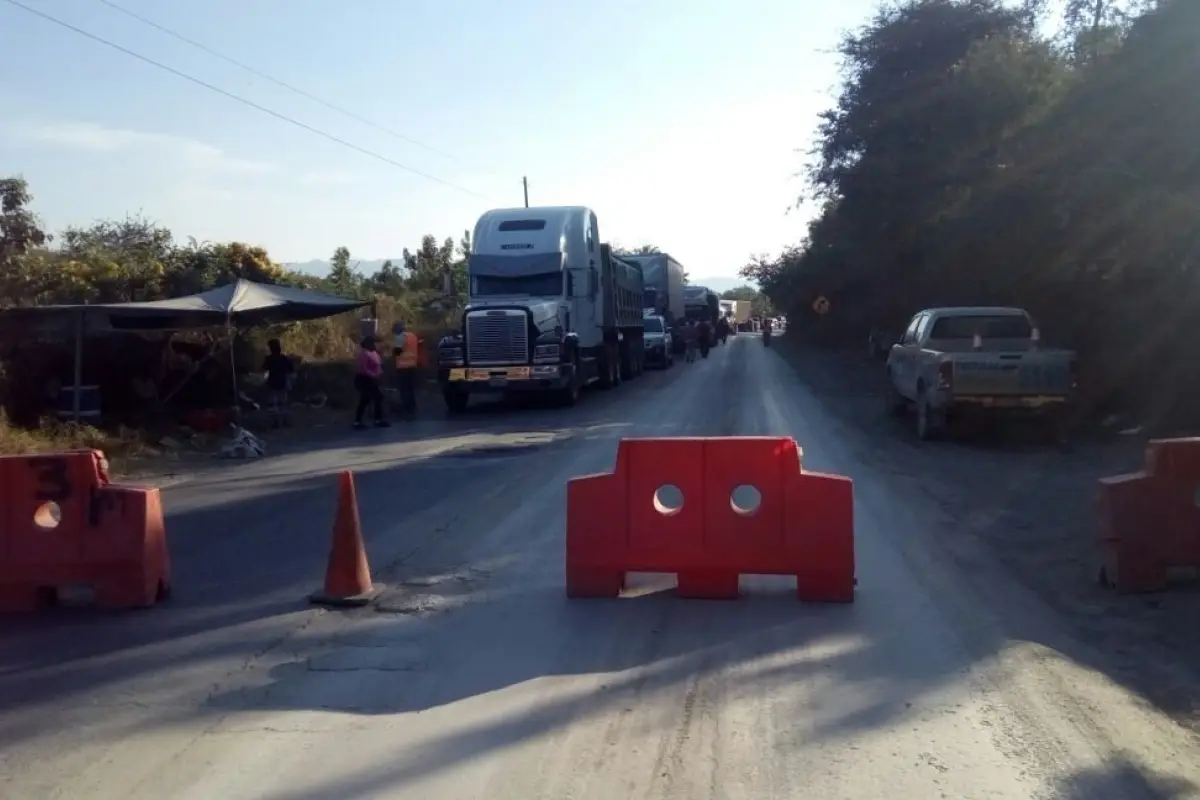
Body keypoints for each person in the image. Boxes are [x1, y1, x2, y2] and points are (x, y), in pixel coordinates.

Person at [353, 336, 389, 429]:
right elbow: (362, 368)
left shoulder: (374, 353)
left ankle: (376, 420)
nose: (376, 344)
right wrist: (373, 375)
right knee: (367, 399)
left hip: (372, 380)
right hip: (364, 379)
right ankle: (358, 422)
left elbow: (378, 365)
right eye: (374, 343)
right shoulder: (364, 353)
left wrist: (380, 374)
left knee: (375, 398)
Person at [261, 338, 294, 428]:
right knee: (283, 403)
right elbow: (291, 370)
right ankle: (284, 421)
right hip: (283, 381)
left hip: (272, 382)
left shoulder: (269, 359)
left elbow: (264, 369)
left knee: (274, 403)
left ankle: (276, 422)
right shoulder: (283, 358)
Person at [392, 320, 419, 414]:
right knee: (411, 388)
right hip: (413, 366)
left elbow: (398, 351)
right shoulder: (412, 336)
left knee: (404, 389)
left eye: (395, 329)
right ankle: (412, 406)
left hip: (403, 367)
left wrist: (393, 352)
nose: (394, 331)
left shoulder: (400, 337)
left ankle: (406, 408)